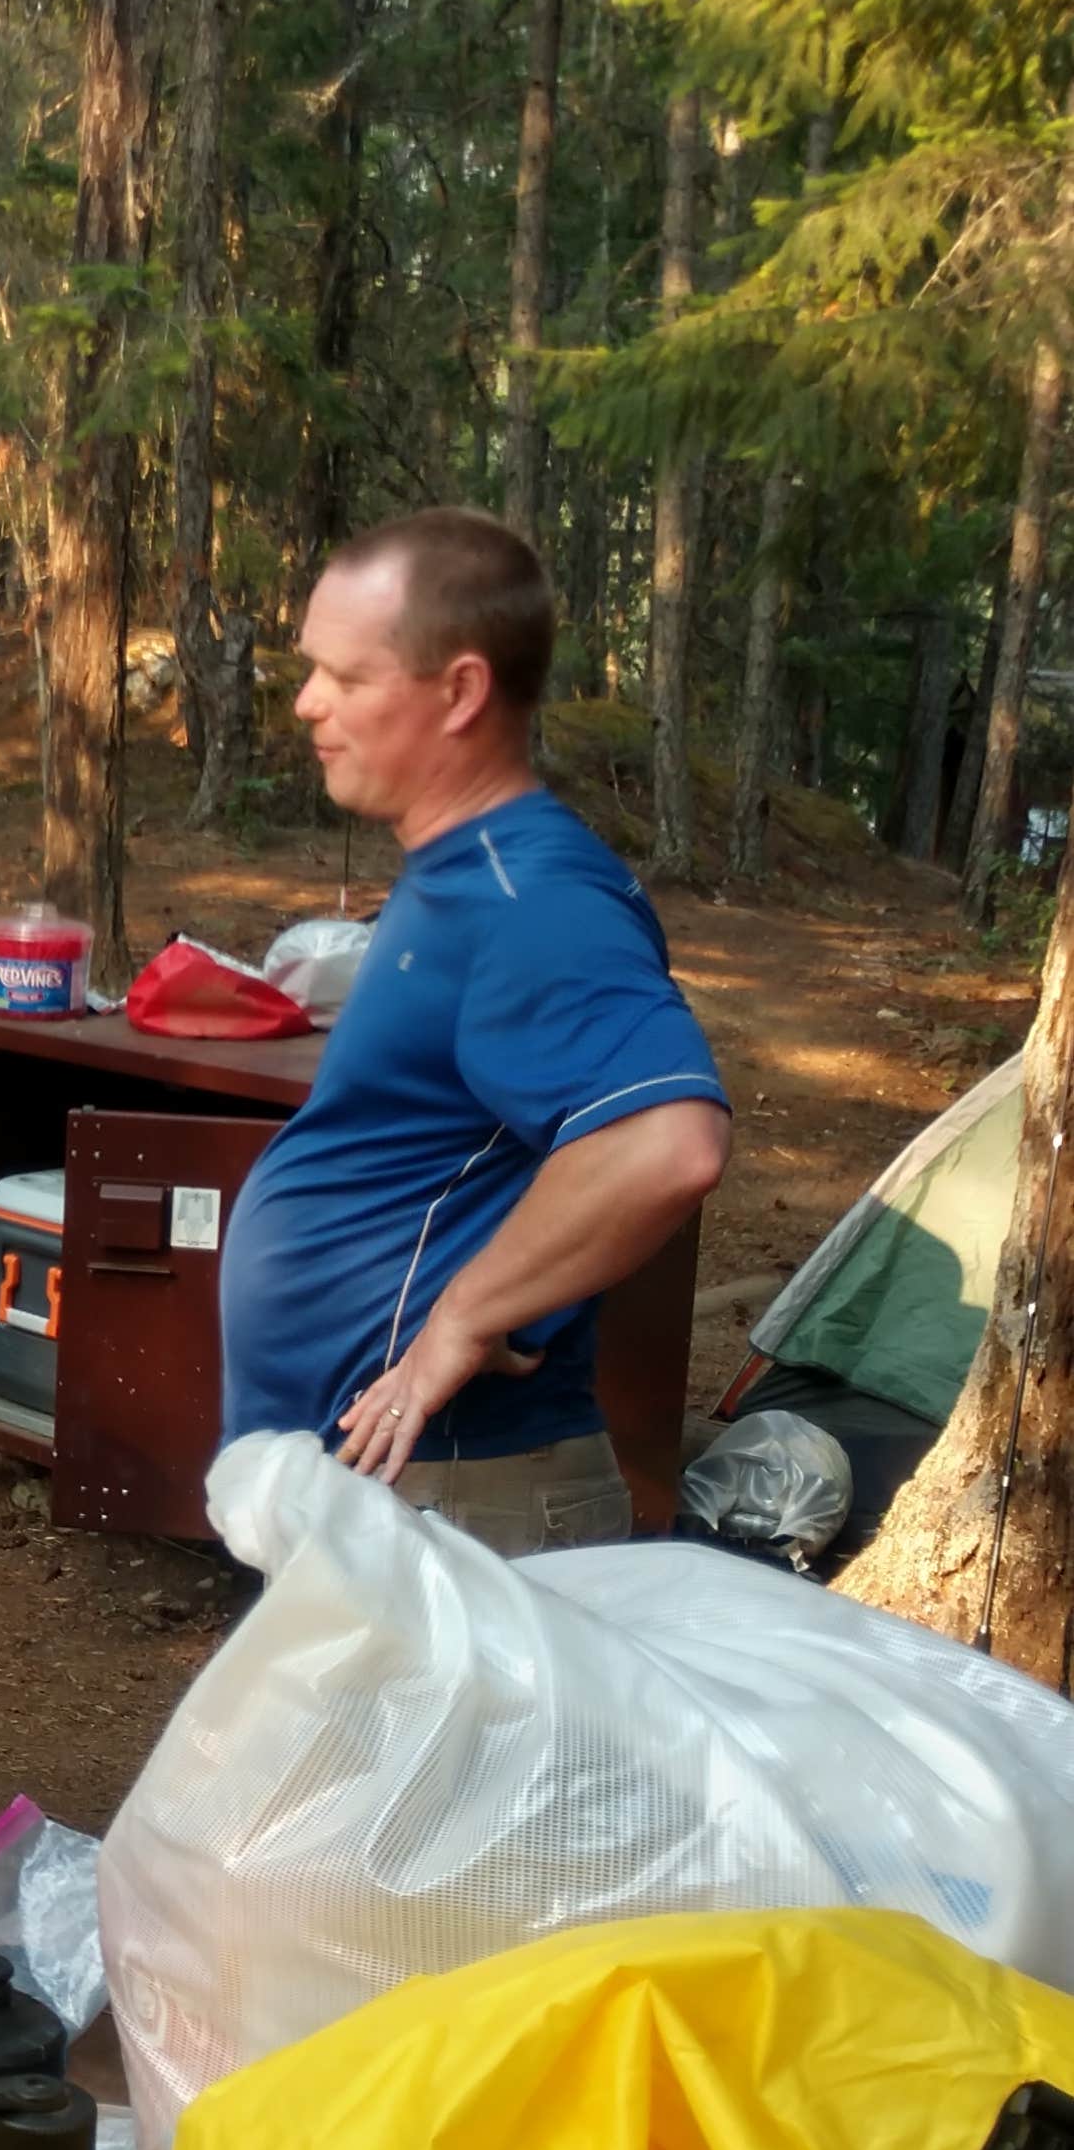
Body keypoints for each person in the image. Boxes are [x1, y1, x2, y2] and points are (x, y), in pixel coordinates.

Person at [215, 508, 732, 1553]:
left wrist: (464, 1316)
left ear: (459, 691)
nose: (310, 703)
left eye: (348, 678)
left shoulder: (530, 895)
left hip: (460, 1502)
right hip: (405, 1494)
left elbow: (667, 1142)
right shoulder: (455, 872)